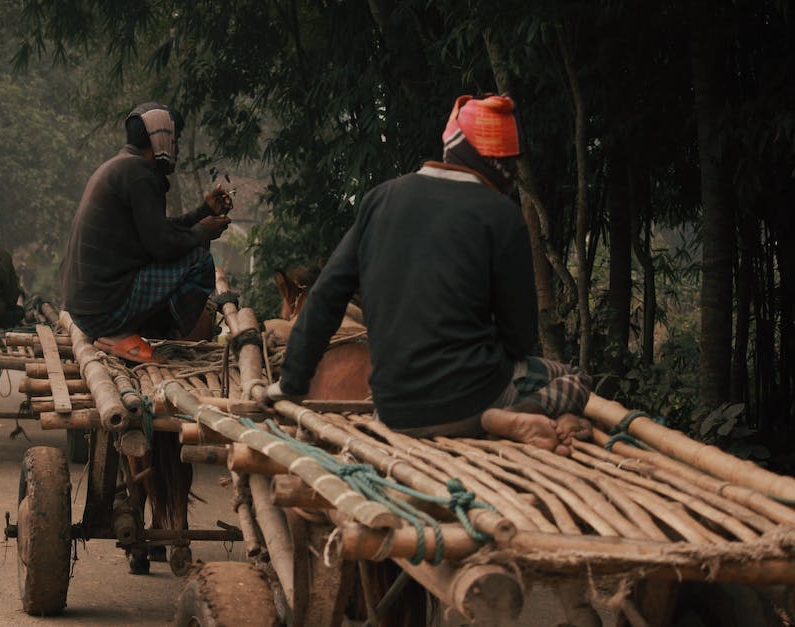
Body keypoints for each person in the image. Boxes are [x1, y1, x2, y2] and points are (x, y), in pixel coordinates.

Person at [259, 94, 592, 456]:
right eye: (510, 166)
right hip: (473, 403)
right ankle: (516, 414)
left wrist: (291, 383)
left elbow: (324, 298)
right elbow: (519, 338)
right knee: (575, 378)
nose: (512, 177)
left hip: (392, 410)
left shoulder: (378, 200)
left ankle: (498, 413)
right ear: (500, 166)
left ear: (453, 147)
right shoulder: (500, 215)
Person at [61, 102, 233, 363]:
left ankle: (133, 330)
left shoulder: (122, 166)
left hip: (86, 307)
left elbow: (158, 230)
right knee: (200, 261)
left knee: (192, 248)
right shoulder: (139, 174)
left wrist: (202, 212)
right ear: (162, 139)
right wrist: (202, 232)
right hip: (103, 310)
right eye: (175, 141)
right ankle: (133, 334)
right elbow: (161, 246)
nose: (176, 149)